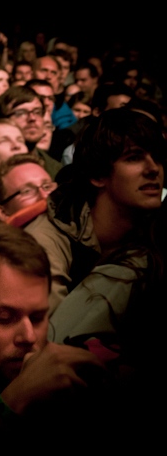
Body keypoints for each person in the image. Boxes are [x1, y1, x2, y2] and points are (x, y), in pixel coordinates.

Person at [0, 223, 106, 430]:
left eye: (38, 317)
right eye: (4, 317)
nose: (29, 336)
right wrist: (10, 406)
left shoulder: (70, 390)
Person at [26, 108, 165, 313]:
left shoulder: (155, 229)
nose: (153, 168)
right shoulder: (47, 238)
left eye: (158, 157)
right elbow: (49, 331)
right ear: (98, 175)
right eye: (134, 158)